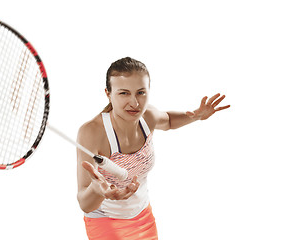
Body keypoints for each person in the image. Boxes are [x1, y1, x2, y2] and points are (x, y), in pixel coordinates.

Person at [76, 57, 230, 240]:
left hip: (142, 214)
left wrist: (196, 116)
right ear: (108, 93)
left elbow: (169, 121)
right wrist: (97, 190)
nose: (134, 103)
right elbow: (85, 203)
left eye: (140, 92)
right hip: (106, 220)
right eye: (123, 93)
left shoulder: (147, 117)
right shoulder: (92, 132)